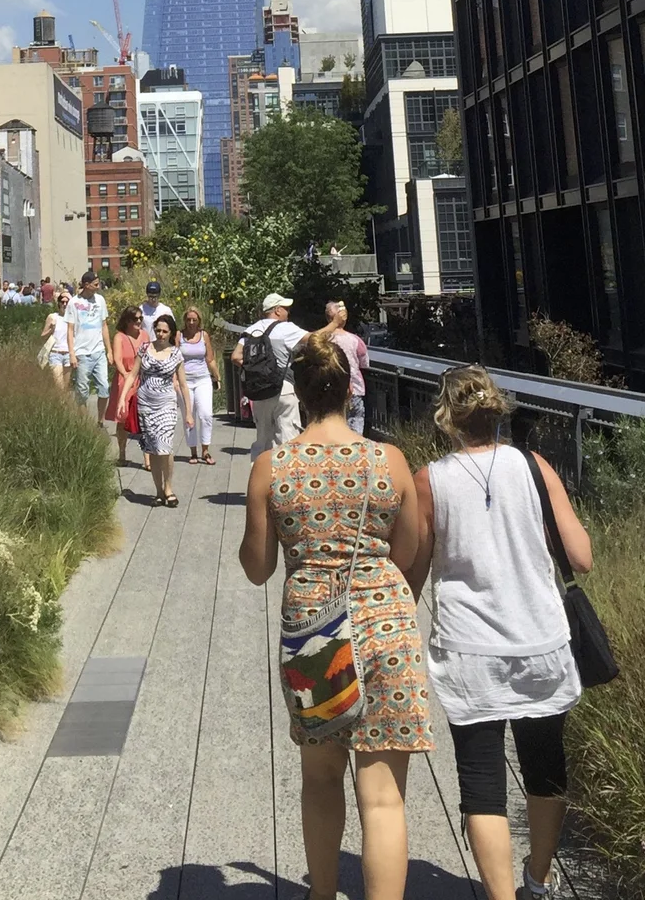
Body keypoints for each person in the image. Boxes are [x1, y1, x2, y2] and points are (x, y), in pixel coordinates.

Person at [240, 334, 432, 900]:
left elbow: (257, 568)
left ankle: (322, 893)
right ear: (351, 390)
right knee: (384, 798)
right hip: (385, 622)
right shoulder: (389, 460)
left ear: (297, 393)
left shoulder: (272, 468)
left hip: (314, 634)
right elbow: (408, 551)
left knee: (321, 779)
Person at [405, 366, 592, 900]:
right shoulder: (535, 466)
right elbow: (581, 557)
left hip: (469, 652)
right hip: (541, 641)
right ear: (496, 410)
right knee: (545, 768)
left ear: (446, 417)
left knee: (481, 784)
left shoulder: (430, 480)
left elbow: (414, 573)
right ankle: (539, 878)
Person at [116, 312, 194, 506]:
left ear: (171, 333)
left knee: (165, 447)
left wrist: (188, 412)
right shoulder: (145, 349)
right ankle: (159, 491)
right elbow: (133, 375)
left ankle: (168, 488)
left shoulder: (176, 354)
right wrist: (122, 398)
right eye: (158, 330)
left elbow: (183, 385)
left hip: (166, 404)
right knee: (152, 448)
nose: (160, 334)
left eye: (164, 331)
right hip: (146, 404)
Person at [231, 292, 308, 457]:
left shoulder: (251, 330)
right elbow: (314, 338)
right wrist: (334, 324)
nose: (288, 312)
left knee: (263, 439)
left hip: (259, 390)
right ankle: (284, 470)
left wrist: (258, 370)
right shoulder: (285, 328)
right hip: (283, 388)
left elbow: (236, 356)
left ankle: (259, 470)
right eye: (286, 308)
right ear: (277, 310)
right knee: (287, 437)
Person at [66, 268, 114, 421]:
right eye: (95, 284)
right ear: (87, 285)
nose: (98, 287)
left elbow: (104, 325)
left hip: (98, 351)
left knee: (104, 388)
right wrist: (72, 354)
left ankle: (100, 421)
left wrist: (109, 350)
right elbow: (70, 329)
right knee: (82, 391)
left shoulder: (100, 300)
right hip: (82, 353)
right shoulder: (74, 303)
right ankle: (85, 423)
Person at [178, 306, 219, 464]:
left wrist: (217, 376)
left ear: (199, 321)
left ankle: (205, 450)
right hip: (185, 381)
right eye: (188, 319)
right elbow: (173, 357)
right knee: (189, 415)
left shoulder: (204, 335)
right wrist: (175, 380)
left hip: (203, 378)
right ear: (185, 320)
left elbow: (210, 358)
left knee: (206, 414)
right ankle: (193, 451)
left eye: (194, 320)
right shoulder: (179, 335)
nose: (191, 323)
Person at [326, 299, 371, 436]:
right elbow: (364, 363)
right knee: (355, 421)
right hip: (354, 388)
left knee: (332, 423)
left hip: (329, 389)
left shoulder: (322, 340)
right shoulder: (355, 340)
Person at [110, 306, 145, 466]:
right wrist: (126, 376)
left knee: (144, 418)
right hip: (125, 378)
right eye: (135, 319)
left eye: (140, 318)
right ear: (127, 320)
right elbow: (117, 360)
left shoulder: (145, 335)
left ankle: (147, 457)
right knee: (123, 418)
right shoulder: (120, 337)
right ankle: (122, 453)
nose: (138, 321)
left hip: (143, 379)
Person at [40, 289, 72, 389]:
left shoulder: (73, 319)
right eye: (62, 302)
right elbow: (43, 336)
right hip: (55, 353)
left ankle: (63, 399)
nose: (64, 304)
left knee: (65, 386)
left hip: (68, 354)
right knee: (59, 386)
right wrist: (51, 330)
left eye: (67, 302)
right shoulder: (53, 317)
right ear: (59, 303)